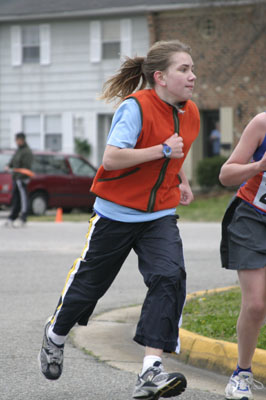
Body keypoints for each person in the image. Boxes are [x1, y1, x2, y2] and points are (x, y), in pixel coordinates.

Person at [38, 39, 200, 400]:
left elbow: (175, 155)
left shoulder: (191, 112)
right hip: (116, 213)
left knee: (169, 277)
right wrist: (161, 150)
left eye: (192, 69)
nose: (192, 76)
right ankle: (56, 335)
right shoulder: (135, 107)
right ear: (160, 77)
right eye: (184, 69)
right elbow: (112, 158)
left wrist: (182, 181)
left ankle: (150, 370)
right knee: (89, 287)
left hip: (159, 214)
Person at [219, 112, 266, 400]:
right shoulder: (262, 123)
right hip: (250, 216)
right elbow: (226, 174)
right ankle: (242, 374)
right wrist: (259, 165)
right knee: (256, 304)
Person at [4, 132, 33, 227]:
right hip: (16, 178)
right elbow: (13, 161)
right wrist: (9, 166)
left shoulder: (27, 152)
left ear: (22, 140)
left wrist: (20, 176)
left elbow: (26, 167)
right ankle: (12, 217)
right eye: (16, 140)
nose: (17, 142)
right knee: (15, 199)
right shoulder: (19, 150)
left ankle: (23, 218)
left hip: (22, 179)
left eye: (18, 140)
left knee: (23, 199)